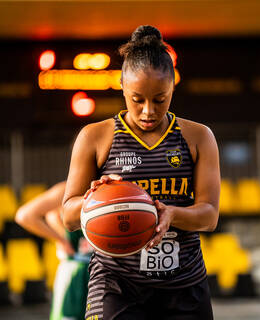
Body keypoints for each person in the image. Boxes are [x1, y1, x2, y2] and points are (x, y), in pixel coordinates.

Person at [63, 25, 220, 320]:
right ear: (122, 85)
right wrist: (97, 198)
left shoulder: (198, 137)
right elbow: (69, 217)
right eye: (137, 99)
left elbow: (210, 215)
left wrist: (171, 214)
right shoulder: (95, 137)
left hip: (183, 284)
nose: (148, 111)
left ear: (173, 86)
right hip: (116, 283)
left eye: (159, 99)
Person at [15, 181, 92, 320]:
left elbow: (49, 215)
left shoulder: (108, 183)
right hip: (76, 273)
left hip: (102, 271)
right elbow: (24, 215)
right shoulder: (67, 189)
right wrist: (61, 239)